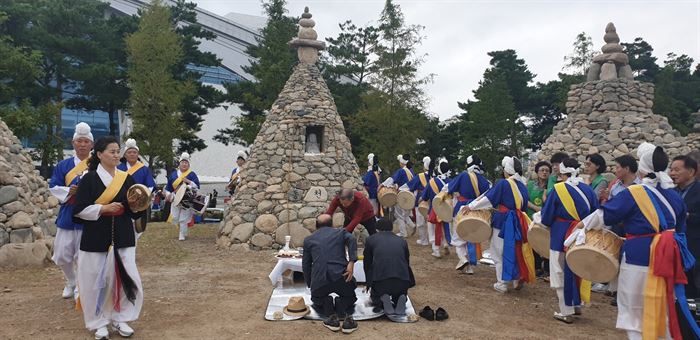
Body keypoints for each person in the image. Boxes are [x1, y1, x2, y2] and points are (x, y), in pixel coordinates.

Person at [575, 142, 699, 340]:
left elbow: (604, 216)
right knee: (663, 307)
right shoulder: (674, 196)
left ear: (642, 168)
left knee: (633, 310)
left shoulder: (634, 193)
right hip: (667, 259)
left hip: (638, 258)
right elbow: (680, 230)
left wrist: (581, 228)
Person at [72, 136, 146, 339]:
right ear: (99, 154)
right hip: (95, 238)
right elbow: (78, 211)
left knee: (125, 277)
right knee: (95, 279)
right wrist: (103, 209)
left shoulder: (126, 178)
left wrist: (139, 205)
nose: (116, 155)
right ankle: (99, 322)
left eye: (117, 151)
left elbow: (133, 211)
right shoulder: (89, 179)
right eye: (112, 151)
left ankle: (121, 317)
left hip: (122, 236)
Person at [461, 156, 535, 293]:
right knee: (514, 250)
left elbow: (489, 199)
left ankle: (502, 283)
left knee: (497, 252)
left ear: (506, 170)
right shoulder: (522, 186)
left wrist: (471, 206)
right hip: (518, 222)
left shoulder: (504, 183)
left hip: (503, 221)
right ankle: (515, 277)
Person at [540, 158, 599, 324]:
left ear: (562, 172)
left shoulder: (558, 189)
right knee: (577, 269)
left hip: (561, 235)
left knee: (558, 271)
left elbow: (546, 217)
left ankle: (566, 310)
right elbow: (596, 213)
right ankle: (577, 304)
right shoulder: (588, 190)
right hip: (580, 234)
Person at [49, 122, 93, 299]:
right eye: (79, 141)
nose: (82, 144)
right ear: (73, 143)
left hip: (88, 214)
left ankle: (80, 288)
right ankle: (71, 280)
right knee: (61, 254)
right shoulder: (63, 165)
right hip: (68, 212)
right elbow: (53, 186)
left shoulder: (97, 164)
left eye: (85, 141)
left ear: (91, 144)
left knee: (83, 255)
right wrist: (69, 191)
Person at [302, 214, 359, 334]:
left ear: (316, 226)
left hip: (320, 280)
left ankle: (326, 304)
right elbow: (352, 239)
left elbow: (306, 265)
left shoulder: (308, 240)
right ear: (332, 224)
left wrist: (310, 284)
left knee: (316, 297)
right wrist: (351, 261)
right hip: (341, 277)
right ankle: (341, 304)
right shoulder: (340, 233)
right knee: (350, 297)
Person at [447, 155, 491, 274]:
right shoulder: (484, 180)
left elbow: (450, 188)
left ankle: (463, 259)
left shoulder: (463, 175)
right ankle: (470, 267)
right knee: (471, 235)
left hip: (462, 208)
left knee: (458, 235)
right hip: (476, 210)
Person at [363, 218, 415, 315]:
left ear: (377, 229)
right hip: (402, 281)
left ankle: (383, 298)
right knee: (399, 292)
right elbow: (406, 262)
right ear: (391, 228)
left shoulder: (371, 239)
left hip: (381, 281)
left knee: (375, 296)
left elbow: (367, 264)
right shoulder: (402, 241)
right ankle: (401, 297)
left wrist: (369, 283)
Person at [670, 155, 700, 299]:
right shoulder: (672, 193)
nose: (672, 173)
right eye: (671, 170)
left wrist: (688, 216)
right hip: (674, 246)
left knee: (692, 286)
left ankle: (692, 318)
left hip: (694, 246)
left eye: (677, 170)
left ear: (692, 172)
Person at [117, 138, 155, 237]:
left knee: (137, 229)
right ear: (125, 155)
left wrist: (143, 197)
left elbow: (150, 186)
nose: (132, 154)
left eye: (134, 152)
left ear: (138, 154)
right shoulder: (119, 168)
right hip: (123, 201)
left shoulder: (144, 169)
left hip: (139, 202)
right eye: (129, 152)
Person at [420, 158, 452, 258]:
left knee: (433, 229)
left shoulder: (432, 181)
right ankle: (446, 243)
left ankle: (436, 250)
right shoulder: (451, 181)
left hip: (435, 209)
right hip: (447, 209)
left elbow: (425, 196)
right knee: (446, 227)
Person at [164, 152, 200, 241]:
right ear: (179, 164)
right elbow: (168, 188)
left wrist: (188, 181)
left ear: (188, 164)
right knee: (175, 217)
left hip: (186, 199)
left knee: (183, 218)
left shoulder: (192, 174)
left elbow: (197, 186)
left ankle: (182, 234)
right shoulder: (173, 174)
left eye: (186, 163)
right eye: (183, 162)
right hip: (175, 198)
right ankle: (183, 231)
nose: (184, 164)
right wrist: (168, 195)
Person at [380, 154, 415, 237]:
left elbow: (392, 179)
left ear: (402, 162)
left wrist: (382, 185)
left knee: (398, 214)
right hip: (410, 195)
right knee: (405, 213)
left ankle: (403, 233)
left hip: (401, 194)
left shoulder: (401, 171)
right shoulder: (411, 171)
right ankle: (412, 225)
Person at [527, 161, 551, 279]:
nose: (544, 172)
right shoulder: (530, 184)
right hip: (531, 216)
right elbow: (525, 200)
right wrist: (537, 208)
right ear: (537, 172)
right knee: (534, 241)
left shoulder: (551, 186)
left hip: (545, 219)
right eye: (542, 170)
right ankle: (536, 267)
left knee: (546, 241)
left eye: (547, 170)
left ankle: (547, 269)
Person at [402, 156, 432, 246]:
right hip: (433, 200)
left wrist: (400, 189)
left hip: (421, 200)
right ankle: (433, 241)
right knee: (432, 221)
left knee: (421, 221)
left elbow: (409, 185)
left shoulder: (420, 176)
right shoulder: (435, 176)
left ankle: (424, 240)